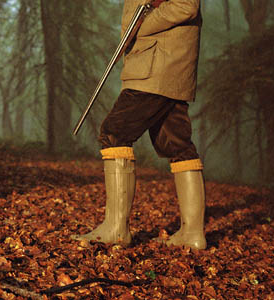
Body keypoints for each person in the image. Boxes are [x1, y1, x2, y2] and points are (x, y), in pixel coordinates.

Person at [71, 0, 206, 250]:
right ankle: (192, 233)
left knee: (114, 133)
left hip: (155, 70)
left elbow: (186, 6)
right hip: (164, 69)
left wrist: (142, 23)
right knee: (177, 145)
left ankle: (116, 229)